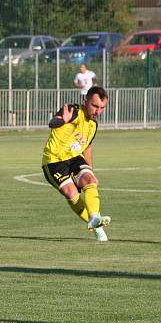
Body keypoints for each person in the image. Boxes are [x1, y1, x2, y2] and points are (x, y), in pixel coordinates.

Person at [42, 86, 111, 242]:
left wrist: (90, 171)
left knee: (90, 180)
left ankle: (94, 217)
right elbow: (52, 123)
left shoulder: (93, 125)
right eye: (95, 106)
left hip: (74, 158)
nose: (97, 111)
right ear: (85, 101)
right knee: (71, 193)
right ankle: (97, 227)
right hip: (54, 161)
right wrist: (61, 121)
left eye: (101, 108)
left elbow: (87, 147)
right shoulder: (72, 111)